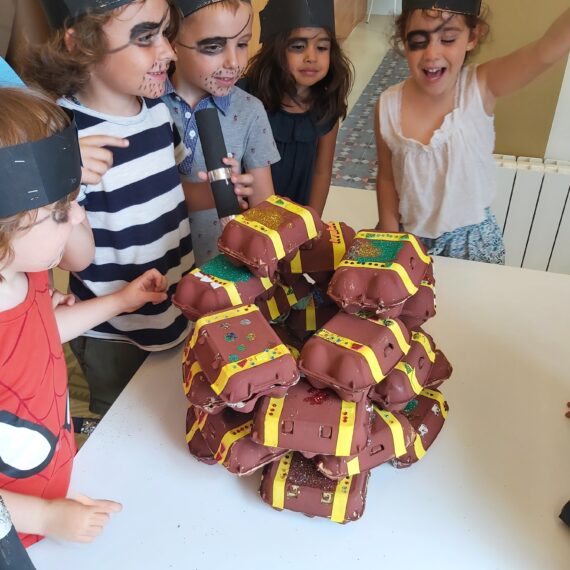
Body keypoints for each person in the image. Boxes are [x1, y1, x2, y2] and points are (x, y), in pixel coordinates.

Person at [0, 87, 169, 546]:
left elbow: (38, 337)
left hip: (54, 490)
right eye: (59, 212)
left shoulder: (27, 274)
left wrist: (119, 302)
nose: (77, 216)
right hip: (20, 535)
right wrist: (47, 517)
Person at [22, 0, 194, 416]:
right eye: (146, 37)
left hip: (176, 305)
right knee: (120, 419)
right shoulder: (60, 134)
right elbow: (77, 259)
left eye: (166, 33)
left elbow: (168, 194)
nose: (169, 51)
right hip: (112, 332)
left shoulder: (159, 112)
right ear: (81, 43)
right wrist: (68, 179)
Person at [375, 0, 570, 264]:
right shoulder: (387, 105)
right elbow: (387, 179)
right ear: (404, 39)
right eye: (418, 41)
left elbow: (544, 51)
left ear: (473, 36)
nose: (432, 53)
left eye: (448, 39)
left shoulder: (481, 86)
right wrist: (390, 241)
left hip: (473, 245)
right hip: (409, 239)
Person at [164, 0, 280, 266]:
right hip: (159, 271)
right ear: (172, 43)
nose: (234, 62)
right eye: (214, 47)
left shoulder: (250, 110)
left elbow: (264, 207)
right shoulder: (146, 107)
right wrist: (206, 193)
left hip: (223, 268)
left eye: (242, 44)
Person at [243, 0, 353, 215]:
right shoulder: (248, 97)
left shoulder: (326, 106)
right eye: (298, 47)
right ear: (276, 49)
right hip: (249, 214)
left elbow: (322, 171)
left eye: (322, 47)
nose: (311, 57)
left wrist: (312, 219)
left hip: (297, 214)